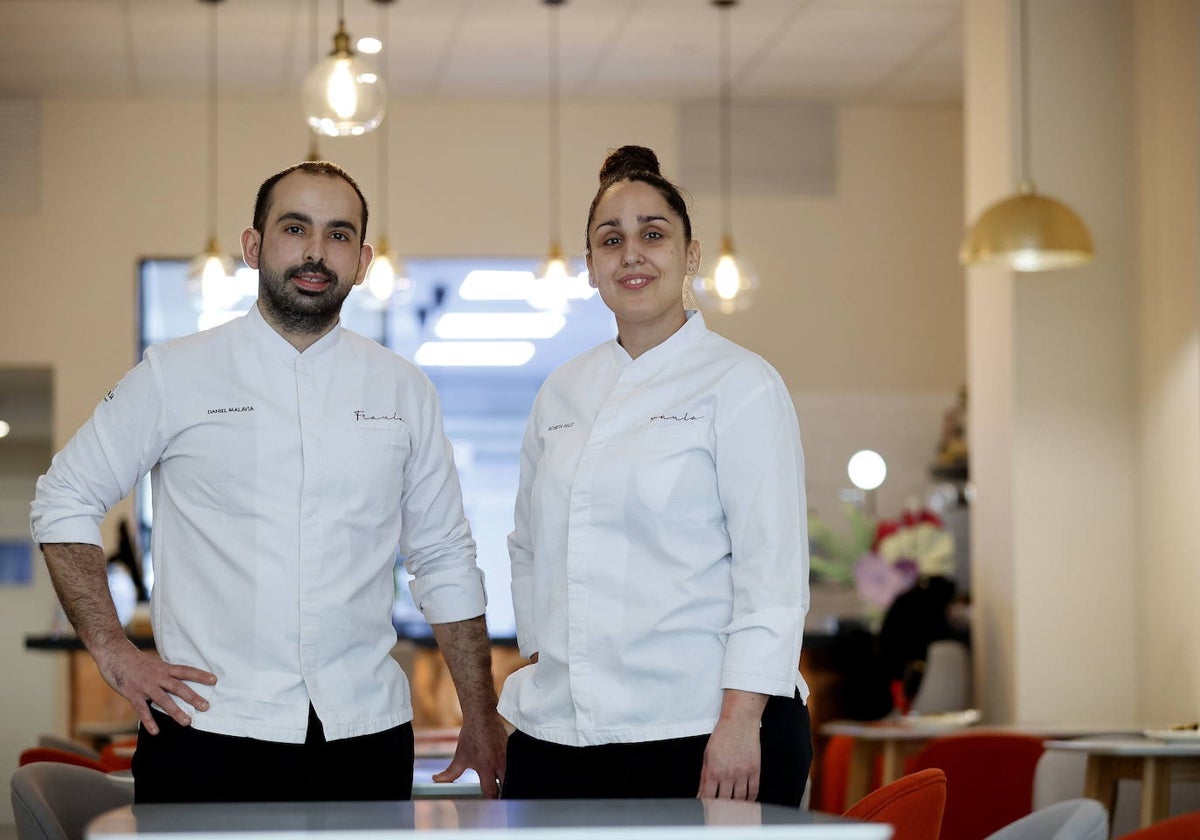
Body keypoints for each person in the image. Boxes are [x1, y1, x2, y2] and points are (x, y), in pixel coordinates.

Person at [30, 161, 507, 804]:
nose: (316, 251)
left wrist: (480, 716)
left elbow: (445, 557)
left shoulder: (403, 389)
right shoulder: (176, 374)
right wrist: (113, 650)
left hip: (364, 738)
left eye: (339, 234)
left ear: (362, 261)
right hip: (207, 730)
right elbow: (63, 498)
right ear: (254, 246)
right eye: (294, 228)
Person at [498, 145, 812, 805]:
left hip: (704, 729)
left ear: (690, 255)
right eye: (611, 240)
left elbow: (772, 574)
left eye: (653, 234)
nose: (631, 254)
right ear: (590, 267)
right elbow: (528, 544)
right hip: (561, 731)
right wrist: (538, 654)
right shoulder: (561, 391)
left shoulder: (742, 383)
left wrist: (738, 722)